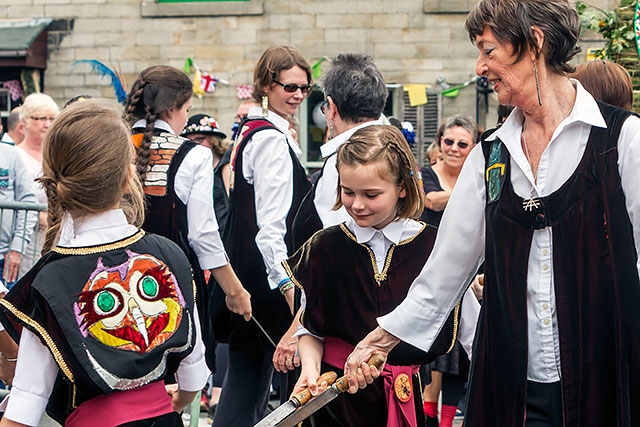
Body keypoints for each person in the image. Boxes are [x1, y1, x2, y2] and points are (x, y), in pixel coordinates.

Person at [345, 1, 640, 426]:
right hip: (514, 388)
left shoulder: (621, 140)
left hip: (610, 379)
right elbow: (446, 270)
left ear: (534, 42)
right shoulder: (490, 157)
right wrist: (380, 340)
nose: (479, 65)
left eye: (489, 50)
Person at [0, 98, 207, 426]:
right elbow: (194, 371)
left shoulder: (50, 279)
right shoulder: (168, 254)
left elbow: (26, 402)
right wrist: (179, 401)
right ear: (128, 177)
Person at [288, 125, 457, 427]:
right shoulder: (324, 247)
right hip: (336, 402)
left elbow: (472, 333)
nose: (357, 204)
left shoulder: (436, 247)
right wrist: (310, 370)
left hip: (404, 398)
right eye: (348, 192)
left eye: (371, 194)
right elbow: (310, 327)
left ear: (402, 188)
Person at [123, 65, 252, 376]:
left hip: (110, 277)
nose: (186, 118)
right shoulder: (193, 155)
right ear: (172, 108)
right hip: (168, 283)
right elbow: (202, 234)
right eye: (187, 110)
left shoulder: (112, 146)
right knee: (173, 379)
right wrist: (234, 290)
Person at [211, 45, 312, 427]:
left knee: (249, 388)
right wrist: (288, 289)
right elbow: (271, 230)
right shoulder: (269, 139)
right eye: (290, 87)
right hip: (268, 283)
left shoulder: (257, 132)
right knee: (277, 397)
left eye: (304, 88)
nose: (298, 95)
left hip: (253, 279)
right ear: (267, 86)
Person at [419, 115, 478, 427]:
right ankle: (428, 417)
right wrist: (472, 193)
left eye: (462, 144)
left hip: (467, 271)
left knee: (459, 354)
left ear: (473, 147)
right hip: (433, 270)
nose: (454, 148)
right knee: (435, 349)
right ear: (440, 143)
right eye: (448, 142)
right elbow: (433, 200)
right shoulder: (429, 173)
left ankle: (446, 421)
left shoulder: (474, 175)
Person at [16, 94, 59, 277]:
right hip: (26, 237)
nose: (47, 124)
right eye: (41, 118)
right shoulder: (16, 156)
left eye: (51, 119)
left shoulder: (56, 155)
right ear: (25, 122)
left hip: (55, 232)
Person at [181, 114, 230, 233]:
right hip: (199, 232)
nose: (194, 144)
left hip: (225, 232)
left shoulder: (226, 164)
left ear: (213, 140)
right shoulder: (186, 169)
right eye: (189, 141)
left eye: (199, 139)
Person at [0, 143, 37, 289]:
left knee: (6, 311)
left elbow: (28, 202)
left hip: (4, 261)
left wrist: (17, 248)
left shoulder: (11, 154)